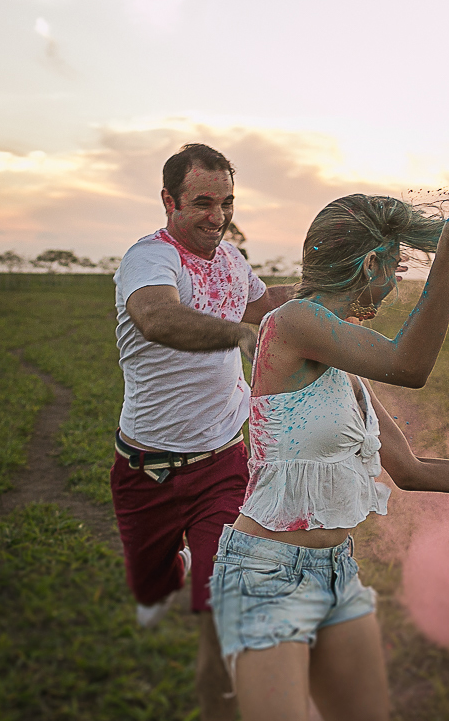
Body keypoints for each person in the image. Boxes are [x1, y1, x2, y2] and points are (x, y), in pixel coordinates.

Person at [208, 192, 449, 721]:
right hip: (265, 576)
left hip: (336, 571)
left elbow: (412, 471)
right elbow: (409, 365)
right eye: (394, 266)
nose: (394, 283)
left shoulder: (338, 365)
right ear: (369, 263)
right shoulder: (292, 322)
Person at [112, 143, 293, 721]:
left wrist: (329, 293)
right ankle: (171, 572)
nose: (217, 216)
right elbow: (156, 316)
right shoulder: (149, 258)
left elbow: (270, 311)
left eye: (227, 202)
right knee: (150, 586)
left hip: (223, 463)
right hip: (147, 470)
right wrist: (236, 335)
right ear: (169, 201)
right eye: (203, 203)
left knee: (223, 611)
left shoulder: (234, 260)